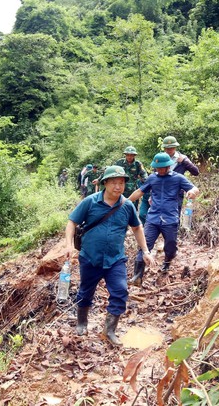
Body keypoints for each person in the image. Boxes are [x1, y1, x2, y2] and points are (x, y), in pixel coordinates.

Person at [64, 166, 155, 346]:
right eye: (114, 182)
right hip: (90, 257)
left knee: (120, 291)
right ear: (105, 183)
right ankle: (82, 322)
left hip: (115, 259)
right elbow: (72, 222)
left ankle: (110, 330)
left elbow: (137, 228)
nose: (118, 186)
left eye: (121, 183)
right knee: (85, 291)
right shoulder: (90, 202)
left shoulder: (127, 206)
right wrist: (68, 245)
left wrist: (145, 251)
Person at [128, 153, 199, 286]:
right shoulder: (152, 178)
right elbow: (140, 192)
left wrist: (193, 192)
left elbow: (194, 188)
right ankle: (137, 277)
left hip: (170, 219)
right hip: (153, 218)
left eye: (162, 167)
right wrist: (125, 202)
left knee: (170, 246)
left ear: (168, 166)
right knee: (145, 245)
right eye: (157, 168)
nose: (159, 170)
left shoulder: (178, 178)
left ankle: (166, 263)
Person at [161, 136, 199, 213]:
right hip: (161, 190)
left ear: (175, 147)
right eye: (167, 148)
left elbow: (196, 172)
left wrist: (185, 162)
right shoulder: (160, 158)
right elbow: (155, 174)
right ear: (164, 148)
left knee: (175, 215)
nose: (169, 150)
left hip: (176, 192)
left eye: (172, 147)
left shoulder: (182, 158)